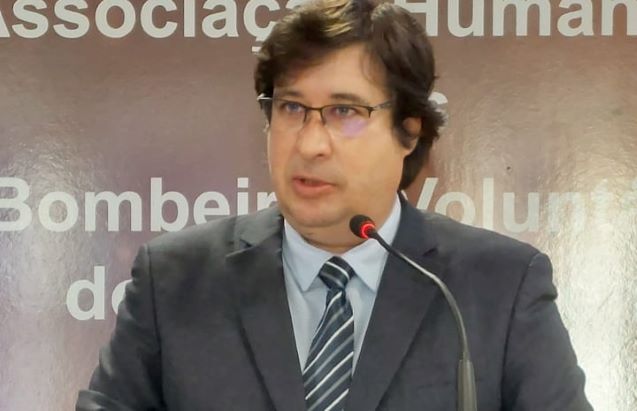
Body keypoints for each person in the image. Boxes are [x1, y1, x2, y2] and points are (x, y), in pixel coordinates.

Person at [77, 0, 593, 410]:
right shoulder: (175, 281)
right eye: (291, 107)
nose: (309, 144)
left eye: (345, 111)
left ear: (409, 131)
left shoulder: (497, 289)